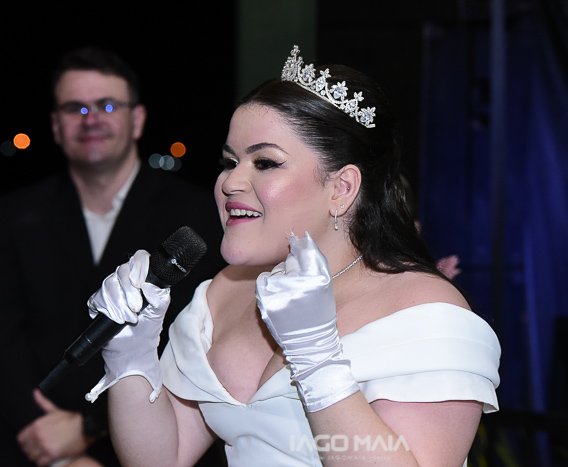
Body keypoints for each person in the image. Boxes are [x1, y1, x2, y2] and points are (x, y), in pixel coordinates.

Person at [85, 45, 501, 466]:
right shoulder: (223, 292)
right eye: (229, 161)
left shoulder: (426, 312)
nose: (230, 182)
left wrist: (317, 359)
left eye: (265, 162)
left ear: (341, 188)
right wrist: (131, 354)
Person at [0, 47, 227, 467]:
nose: (90, 119)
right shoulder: (12, 216)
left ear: (137, 119)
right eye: (74, 108)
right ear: (55, 125)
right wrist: (49, 445)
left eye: (107, 105)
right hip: (32, 443)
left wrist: (91, 428)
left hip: (164, 440)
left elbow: (203, 342)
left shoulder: (199, 219)